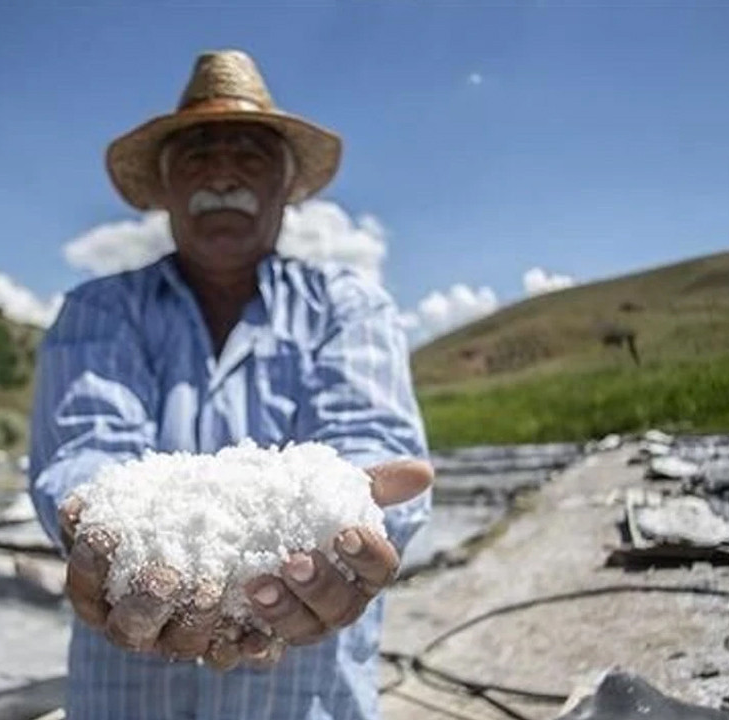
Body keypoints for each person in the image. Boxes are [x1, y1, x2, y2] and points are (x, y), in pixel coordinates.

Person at [28, 49, 433, 720]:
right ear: (164, 187)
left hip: (305, 700)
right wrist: (92, 516)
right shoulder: (98, 312)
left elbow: (367, 439)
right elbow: (87, 446)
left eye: (249, 153)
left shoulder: (348, 307)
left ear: (286, 185)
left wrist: (358, 508)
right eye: (197, 154)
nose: (222, 171)